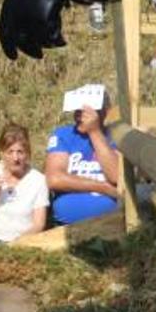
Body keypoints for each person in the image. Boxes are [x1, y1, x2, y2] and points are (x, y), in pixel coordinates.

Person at [45, 95, 121, 225]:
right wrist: (102, 187)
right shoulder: (63, 134)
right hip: (66, 226)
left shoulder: (116, 134)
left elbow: (116, 176)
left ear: (104, 112)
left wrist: (94, 132)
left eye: (86, 112)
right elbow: (54, 179)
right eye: (77, 111)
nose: (79, 116)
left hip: (112, 222)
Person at [0, 123, 49, 243]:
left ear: (27, 153)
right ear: (2, 153)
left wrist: (16, 244)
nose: (16, 158)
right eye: (10, 152)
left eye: (20, 152)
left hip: (22, 242)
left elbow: (39, 224)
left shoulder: (38, 180)